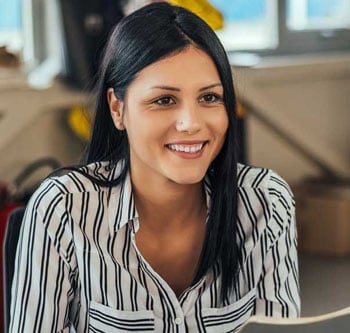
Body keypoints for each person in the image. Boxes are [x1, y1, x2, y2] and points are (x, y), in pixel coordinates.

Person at [9, 2, 300, 332]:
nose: (191, 123)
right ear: (117, 109)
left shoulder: (265, 201)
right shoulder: (63, 208)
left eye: (209, 98)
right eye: (164, 100)